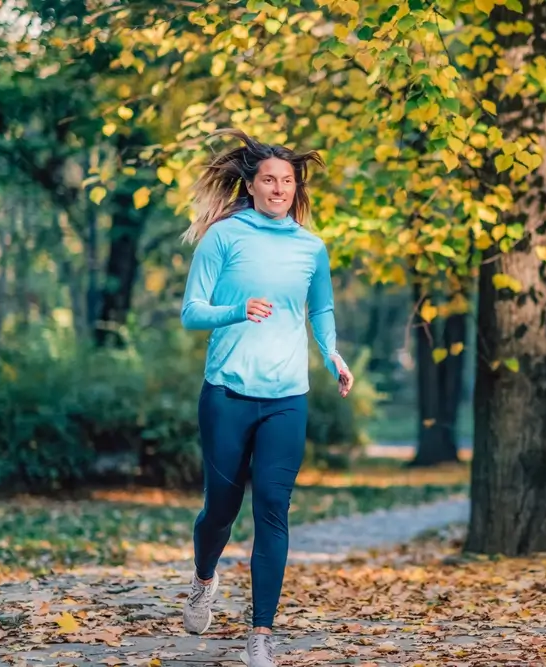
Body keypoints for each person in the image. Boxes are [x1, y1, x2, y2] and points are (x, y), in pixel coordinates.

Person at [177, 129, 353, 667]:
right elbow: (191, 313)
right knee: (220, 513)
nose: (279, 188)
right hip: (227, 393)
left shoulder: (310, 247)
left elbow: (319, 311)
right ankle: (204, 579)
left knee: (274, 511)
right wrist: (237, 309)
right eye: (269, 180)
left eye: (287, 181)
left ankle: (260, 633)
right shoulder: (223, 238)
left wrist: (332, 355)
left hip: (286, 398)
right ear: (250, 185)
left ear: (295, 189)